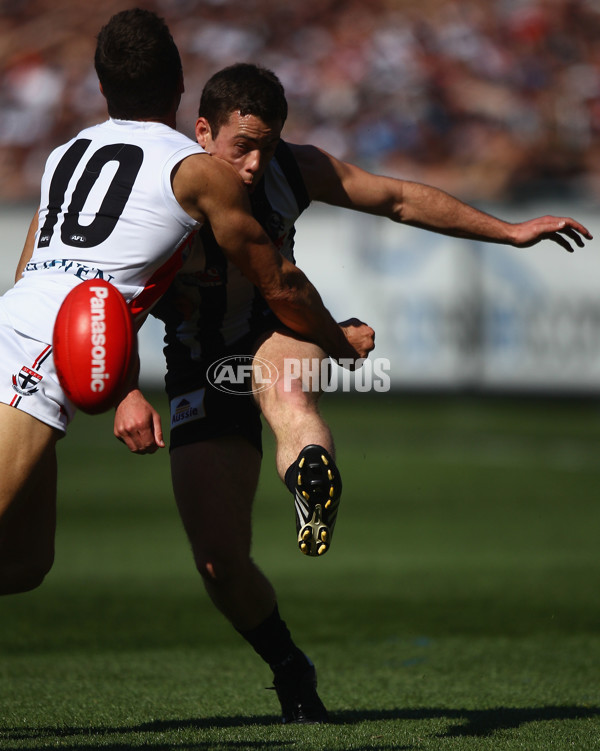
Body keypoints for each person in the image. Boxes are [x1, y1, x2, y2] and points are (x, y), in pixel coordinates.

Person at [113, 63, 592, 724]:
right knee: (221, 563)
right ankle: (289, 663)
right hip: (194, 367)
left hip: (281, 328)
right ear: (202, 130)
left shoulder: (293, 169)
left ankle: (312, 481)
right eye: (241, 145)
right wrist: (122, 393)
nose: (254, 163)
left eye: (268, 145)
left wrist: (508, 231)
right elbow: (106, 299)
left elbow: (395, 197)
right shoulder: (162, 191)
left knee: (289, 395)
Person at [0, 11, 372, 614]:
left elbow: (30, 273)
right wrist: (336, 339)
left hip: (17, 327)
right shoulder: (197, 169)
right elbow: (279, 282)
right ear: (180, 87)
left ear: (101, 90)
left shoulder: (64, 155)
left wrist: (115, 382)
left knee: (24, 563)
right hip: (38, 358)